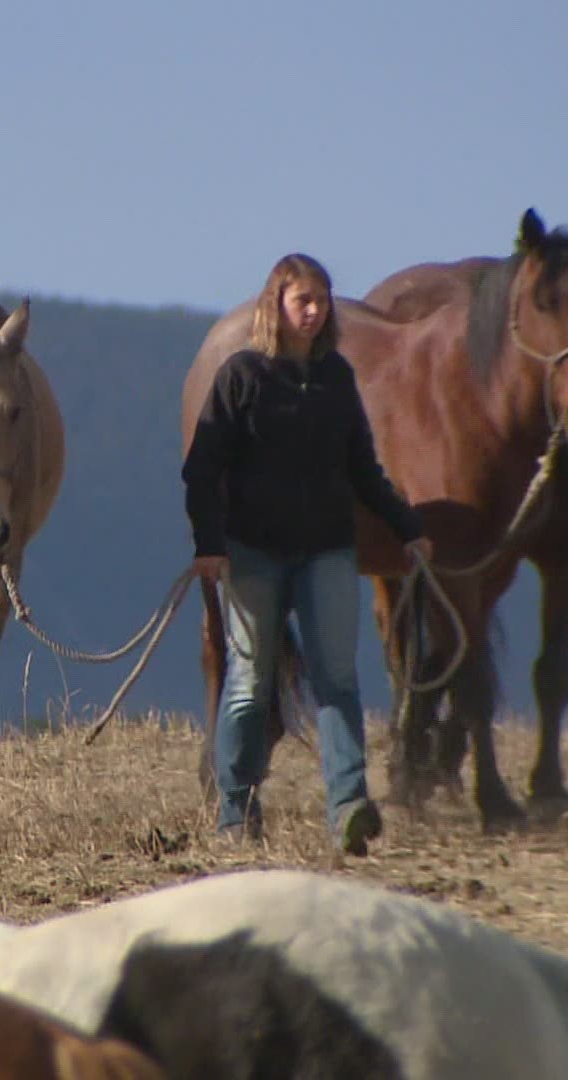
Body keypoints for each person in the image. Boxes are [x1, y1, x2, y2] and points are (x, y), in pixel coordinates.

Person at [181, 253, 432, 855]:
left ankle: (348, 806)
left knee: (338, 681)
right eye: (304, 301)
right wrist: (209, 545)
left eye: (322, 299)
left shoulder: (337, 381)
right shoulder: (241, 376)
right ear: (278, 304)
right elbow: (203, 468)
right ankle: (235, 809)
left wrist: (406, 527)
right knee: (247, 683)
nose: (316, 311)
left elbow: (363, 470)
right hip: (252, 555)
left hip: (326, 551)